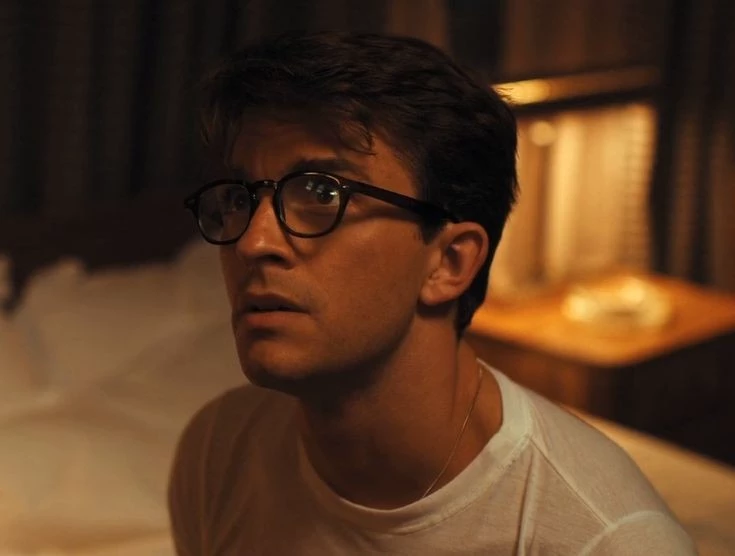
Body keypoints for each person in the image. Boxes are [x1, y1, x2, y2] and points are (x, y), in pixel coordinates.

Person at [168, 31, 696, 555]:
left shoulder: (609, 541)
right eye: (239, 199)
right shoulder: (219, 448)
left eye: (322, 192)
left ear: (450, 262)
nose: (253, 242)